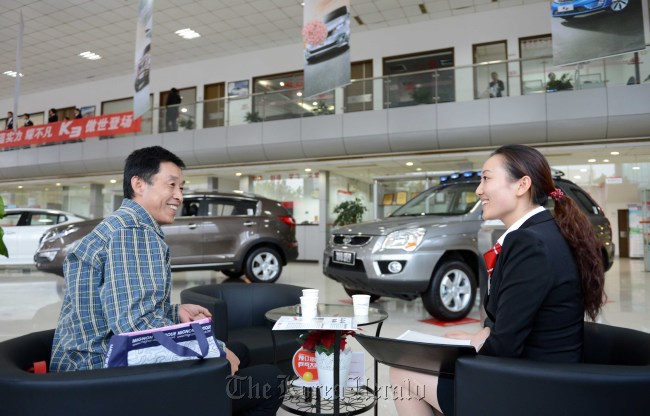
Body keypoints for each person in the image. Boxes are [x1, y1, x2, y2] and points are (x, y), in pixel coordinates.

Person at [50, 146, 286, 416]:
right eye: (171, 185)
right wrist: (218, 352)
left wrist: (174, 312)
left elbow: (118, 307)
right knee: (270, 379)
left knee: (240, 351)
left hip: (86, 362)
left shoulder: (121, 225)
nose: (179, 196)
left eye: (182, 188)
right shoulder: (134, 232)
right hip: (101, 374)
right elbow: (135, 327)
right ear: (138, 184)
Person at [389, 144, 606, 416]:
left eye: (487, 178)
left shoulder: (530, 243)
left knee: (403, 373)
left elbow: (505, 346)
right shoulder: (544, 232)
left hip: (536, 385)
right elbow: (518, 321)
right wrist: (475, 338)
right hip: (545, 372)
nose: (479, 190)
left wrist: (465, 347)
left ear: (522, 185)